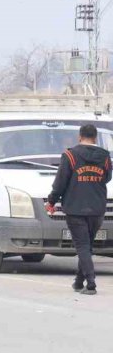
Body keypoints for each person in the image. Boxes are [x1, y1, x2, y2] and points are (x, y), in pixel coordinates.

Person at [46, 124, 112, 295]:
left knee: (82, 246)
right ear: (95, 138)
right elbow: (106, 178)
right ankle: (78, 281)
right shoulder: (105, 157)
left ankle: (91, 284)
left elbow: (61, 182)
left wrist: (51, 201)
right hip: (97, 208)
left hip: (75, 208)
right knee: (87, 246)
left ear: (79, 137)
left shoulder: (70, 155)